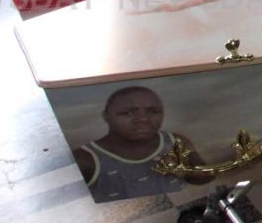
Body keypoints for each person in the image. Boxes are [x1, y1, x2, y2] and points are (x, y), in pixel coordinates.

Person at [72, 86, 213, 203]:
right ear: (106, 116)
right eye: (127, 113)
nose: (143, 119)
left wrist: (184, 169)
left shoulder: (176, 142)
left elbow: (205, 178)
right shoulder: (86, 159)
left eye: (153, 111)